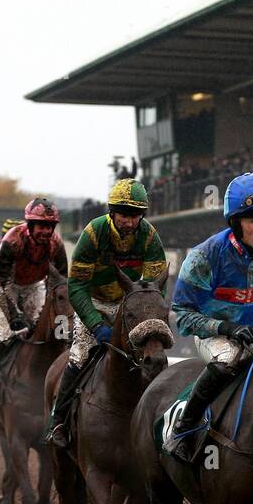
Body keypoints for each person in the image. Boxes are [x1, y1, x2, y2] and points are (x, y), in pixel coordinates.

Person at [161, 172, 253, 462]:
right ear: (236, 223)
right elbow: (183, 315)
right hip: (217, 337)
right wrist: (227, 327)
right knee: (228, 360)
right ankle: (185, 429)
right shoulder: (205, 257)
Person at [47, 179, 167, 447]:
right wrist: (95, 323)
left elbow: (154, 287)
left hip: (130, 305)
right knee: (79, 355)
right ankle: (59, 420)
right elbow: (76, 285)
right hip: (95, 301)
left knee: (152, 356)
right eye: (124, 214)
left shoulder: (149, 235)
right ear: (112, 212)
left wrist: (143, 313)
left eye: (135, 215)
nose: (130, 221)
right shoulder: (93, 233)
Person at [0, 199, 68, 400]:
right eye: (41, 226)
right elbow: (3, 285)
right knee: (9, 333)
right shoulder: (13, 240)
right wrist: (14, 315)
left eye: (49, 227)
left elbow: (61, 280)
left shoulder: (56, 244)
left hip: (33, 285)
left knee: (41, 327)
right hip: (6, 283)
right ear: (30, 225)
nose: (46, 232)